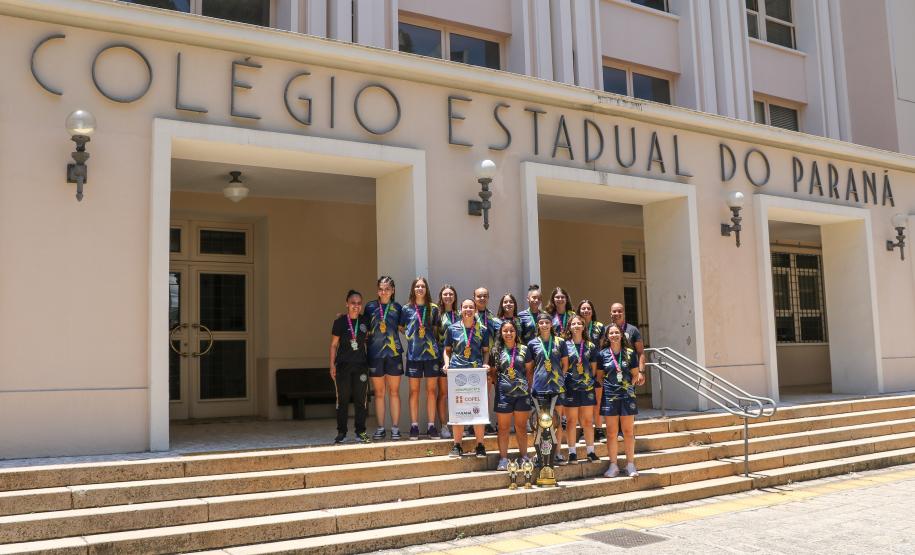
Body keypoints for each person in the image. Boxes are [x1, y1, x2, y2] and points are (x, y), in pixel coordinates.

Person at [443, 298, 490, 458]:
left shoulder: (482, 329)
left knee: (478, 409)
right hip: (458, 374)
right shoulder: (452, 329)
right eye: (465, 307)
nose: (468, 310)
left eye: (471, 307)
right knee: (458, 409)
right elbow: (447, 350)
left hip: (476, 373)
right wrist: (447, 364)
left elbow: (486, 351)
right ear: (460, 310)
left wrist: (485, 364)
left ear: (475, 310)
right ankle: (457, 445)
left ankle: (480, 445)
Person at [597, 322, 645, 477]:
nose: (614, 335)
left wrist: (626, 389)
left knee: (628, 432)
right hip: (610, 397)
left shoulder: (630, 353)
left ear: (621, 335)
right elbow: (599, 377)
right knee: (611, 433)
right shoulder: (602, 354)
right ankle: (613, 465)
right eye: (611, 333)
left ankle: (630, 464)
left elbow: (635, 375)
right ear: (607, 336)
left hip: (626, 396)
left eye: (616, 332)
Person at [400, 277, 441, 440]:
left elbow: (437, 329)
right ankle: (414, 426)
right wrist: (410, 336)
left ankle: (431, 426)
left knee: (431, 391)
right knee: (414, 391)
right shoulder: (406, 309)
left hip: (431, 355)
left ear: (427, 289)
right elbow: (401, 327)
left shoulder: (434, 308)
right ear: (413, 289)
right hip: (414, 355)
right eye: (417, 286)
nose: (420, 288)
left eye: (423, 286)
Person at [525, 312, 569, 463]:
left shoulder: (560, 342)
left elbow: (565, 364)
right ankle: (540, 453)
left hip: (557, 388)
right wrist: (533, 385)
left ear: (551, 324)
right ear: (538, 325)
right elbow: (529, 369)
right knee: (540, 423)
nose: (544, 325)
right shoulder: (532, 344)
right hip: (540, 388)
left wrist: (560, 379)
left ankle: (556, 453)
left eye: (547, 322)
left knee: (557, 421)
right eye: (541, 323)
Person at [364, 276, 404, 441]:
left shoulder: (398, 308)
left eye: (387, 288)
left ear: (393, 290)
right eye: (381, 288)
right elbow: (363, 326)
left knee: (394, 392)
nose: (384, 291)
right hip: (375, 354)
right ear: (377, 290)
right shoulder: (370, 307)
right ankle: (381, 428)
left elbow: (403, 329)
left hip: (394, 355)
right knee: (379, 393)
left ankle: (395, 428)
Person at [329, 290, 371, 444]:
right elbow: (333, 345)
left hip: (361, 366)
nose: (356, 306)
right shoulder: (339, 322)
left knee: (361, 400)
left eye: (359, 303)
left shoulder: (365, 321)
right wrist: (331, 365)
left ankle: (361, 432)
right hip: (343, 366)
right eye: (353, 303)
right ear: (347, 303)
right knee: (343, 400)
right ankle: (341, 432)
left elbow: (368, 339)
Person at [489, 319, 531, 470]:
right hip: (503, 395)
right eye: (505, 331)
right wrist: (501, 386)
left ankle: (524, 456)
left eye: (511, 331)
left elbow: (529, 371)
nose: (508, 333)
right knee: (503, 428)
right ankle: (503, 459)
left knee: (521, 427)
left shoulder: (524, 349)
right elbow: (493, 373)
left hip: (522, 394)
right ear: (501, 333)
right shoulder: (495, 351)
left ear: (516, 332)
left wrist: (527, 388)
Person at [562, 314, 600, 462]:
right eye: (573, 324)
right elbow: (563, 366)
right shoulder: (564, 345)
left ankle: (590, 451)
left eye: (579, 324)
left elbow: (594, 369)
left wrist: (587, 381)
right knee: (571, 421)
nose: (576, 326)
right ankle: (572, 453)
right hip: (570, 388)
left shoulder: (590, 346)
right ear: (569, 327)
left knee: (588, 421)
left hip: (586, 388)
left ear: (583, 327)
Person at [609, 302, 647, 441]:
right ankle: (617, 432)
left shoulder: (633, 330)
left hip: (629, 374)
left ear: (623, 313)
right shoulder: (608, 330)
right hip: (612, 375)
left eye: (620, 311)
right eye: (614, 311)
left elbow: (640, 352)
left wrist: (641, 372)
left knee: (628, 402)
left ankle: (628, 432)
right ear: (610, 313)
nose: (617, 314)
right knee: (614, 402)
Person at [577, 299, 605, 442]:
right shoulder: (577, 325)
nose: (586, 311)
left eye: (588, 308)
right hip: (580, 369)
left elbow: (602, 348)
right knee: (583, 402)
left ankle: (599, 430)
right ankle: (583, 430)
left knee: (597, 400)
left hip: (597, 368)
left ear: (592, 311)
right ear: (579, 311)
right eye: (583, 308)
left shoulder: (600, 326)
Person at [473, 287, 500, 434]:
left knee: (486, 392)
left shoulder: (493, 318)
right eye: (479, 296)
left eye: (485, 296)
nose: (482, 298)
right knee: (472, 392)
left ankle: (486, 421)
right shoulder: (468, 315)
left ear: (488, 297)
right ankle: (471, 423)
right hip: (471, 359)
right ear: (474, 297)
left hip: (488, 360)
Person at [435, 284, 458, 439]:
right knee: (443, 393)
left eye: (451, 294)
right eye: (445, 294)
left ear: (455, 297)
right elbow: (434, 336)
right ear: (441, 297)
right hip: (442, 357)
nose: (448, 297)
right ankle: (444, 426)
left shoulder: (462, 314)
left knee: (459, 393)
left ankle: (460, 424)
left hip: (460, 358)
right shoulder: (437, 314)